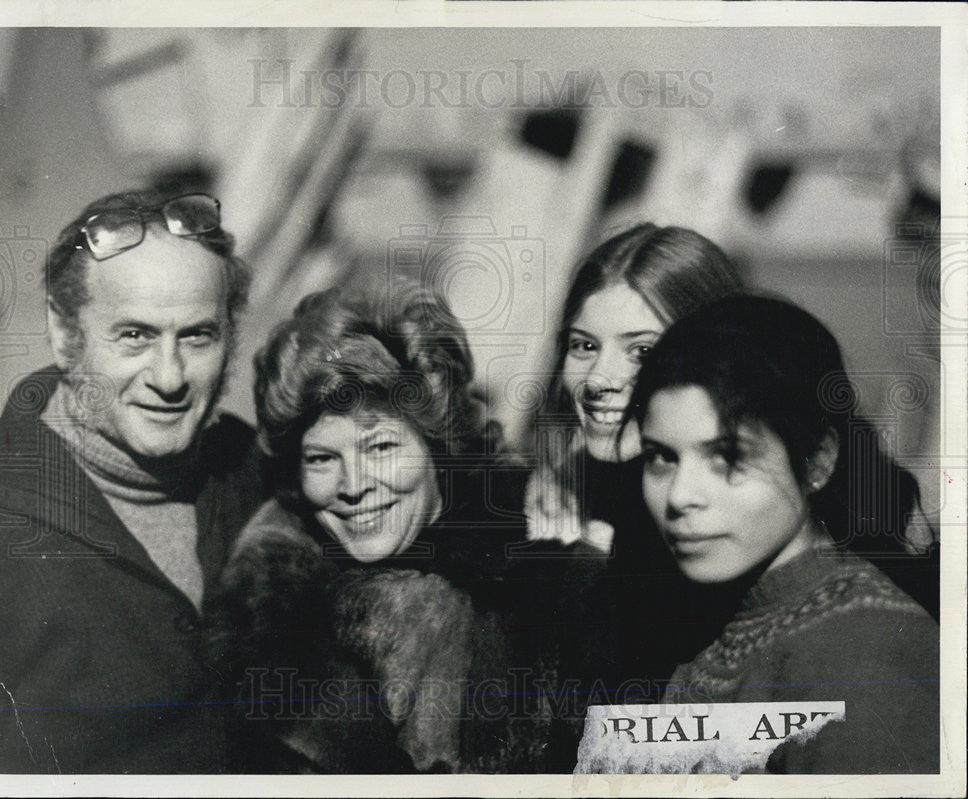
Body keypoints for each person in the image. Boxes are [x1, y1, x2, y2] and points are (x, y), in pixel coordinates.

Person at [206, 283, 548, 774]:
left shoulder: (549, 557)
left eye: (380, 448)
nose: (353, 486)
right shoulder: (274, 619)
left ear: (438, 446)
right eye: (322, 458)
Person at [0, 189, 266, 773]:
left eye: (197, 336)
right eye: (135, 335)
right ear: (65, 337)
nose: (170, 378)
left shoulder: (255, 471)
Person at [630, 294, 939, 774]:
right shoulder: (704, 610)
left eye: (728, 457)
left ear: (818, 460)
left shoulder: (862, 652)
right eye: (661, 457)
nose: (679, 496)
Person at [524, 223, 746, 756]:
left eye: (641, 351)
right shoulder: (563, 506)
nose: (599, 378)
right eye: (584, 346)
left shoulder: (747, 529)